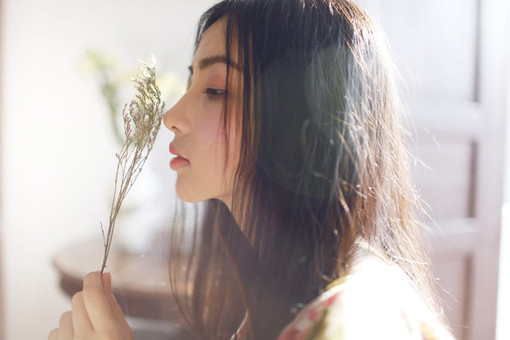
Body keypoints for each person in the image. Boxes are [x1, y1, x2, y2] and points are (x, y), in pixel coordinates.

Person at [49, 0, 456, 339]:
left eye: (216, 90)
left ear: (307, 123)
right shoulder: (273, 300)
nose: (171, 115)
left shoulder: (354, 321)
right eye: (193, 83)